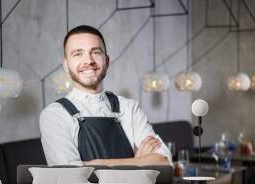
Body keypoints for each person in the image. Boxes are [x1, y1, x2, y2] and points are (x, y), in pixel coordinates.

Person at [40, 25, 172, 166]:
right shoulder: (55, 114)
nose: (88, 60)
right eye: (78, 54)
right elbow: (71, 175)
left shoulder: (129, 108)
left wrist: (93, 164)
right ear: (66, 65)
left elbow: (163, 162)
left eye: (96, 52)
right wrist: (137, 163)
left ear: (107, 61)